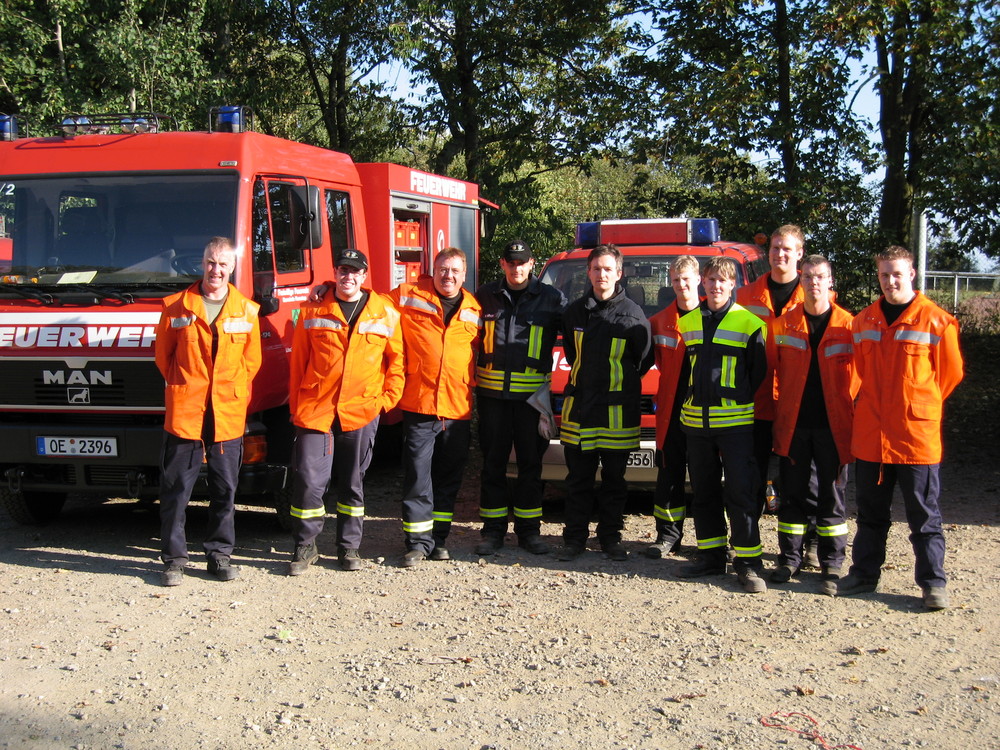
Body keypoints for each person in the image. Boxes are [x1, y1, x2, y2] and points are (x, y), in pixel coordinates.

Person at [837, 246, 963, 611]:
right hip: (872, 436)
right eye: (883, 274)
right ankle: (863, 574)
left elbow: (949, 376)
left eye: (897, 274)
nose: (890, 281)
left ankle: (932, 584)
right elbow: (858, 372)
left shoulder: (936, 321)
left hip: (915, 438)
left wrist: (915, 405)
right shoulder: (863, 321)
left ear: (912, 274)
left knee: (924, 517)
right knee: (870, 514)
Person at [286, 249, 404, 575]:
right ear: (335, 272)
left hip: (362, 410)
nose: (348, 277)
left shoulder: (385, 312)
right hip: (316, 408)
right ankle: (305, 546)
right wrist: (296, 407)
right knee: (309, 481)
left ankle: (348, 547)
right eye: (342, 270)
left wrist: (384, 402)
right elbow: (299, 362)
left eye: (355, 271)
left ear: (365, 276)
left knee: (353, 482)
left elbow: (397, 363)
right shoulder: (313, 307)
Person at [154, 237, 262, 586]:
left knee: (224, 491)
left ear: (233, 268)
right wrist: (186, 387)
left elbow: (252, 363)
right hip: (186, 412)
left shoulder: (247, 310)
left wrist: (229, 394)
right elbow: (163, 358)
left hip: (226, 413)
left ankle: (219, 556)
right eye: (211, 262)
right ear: (202, 263)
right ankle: (173, 560)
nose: (216, 270)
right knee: (175, 490)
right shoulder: (176, 307)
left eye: (223, 264)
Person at [676, 256, 768, 593]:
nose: (716, 286)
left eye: (723, 281)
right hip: (696, 424)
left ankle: (748, 564)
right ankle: (711, 556)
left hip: (735, 424)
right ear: (704, 282)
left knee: (741, 493)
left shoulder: (749, 323)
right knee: (704, 493)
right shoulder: (688, 322)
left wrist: (734, 399)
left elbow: (757, 372)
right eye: (711, 279)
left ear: (733, 285)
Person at [770, 255, 859, 595]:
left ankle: (831, 565)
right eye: (807, 276)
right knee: (792, 497)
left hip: (834, 428)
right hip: (793, 426)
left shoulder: (849, 325)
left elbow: (862, 375)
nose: (813, 282)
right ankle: (789, 559)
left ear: (830, 281)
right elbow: (772, 370)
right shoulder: (784, 324)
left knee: (831, 497)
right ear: (801, 280)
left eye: (820, 276)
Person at [557, 244, 652, 562]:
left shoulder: (633, 315)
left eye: (608, 269)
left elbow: (643, 359)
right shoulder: (573, 313)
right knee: (577, 481)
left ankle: (610, 539)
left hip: (617, 413)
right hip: (580, 411)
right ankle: (574, 539)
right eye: (596, 269)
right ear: (588, 272)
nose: (602, 275)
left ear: (619, 273)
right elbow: (573, 356)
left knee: (614, 482)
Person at [389, 248, 482, 567]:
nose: (449, 276)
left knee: (448, 478)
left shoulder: (473, 308)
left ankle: (438, 539)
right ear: (433, 270)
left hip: (456, 409)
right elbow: (368, 304)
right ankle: (416, 542)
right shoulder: (407, 295)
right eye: (443, 269)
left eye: (455, 271)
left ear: (464, 274)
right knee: (417, 476)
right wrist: (331, 287)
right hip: (420, 404)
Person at [474, 240, 566, 556]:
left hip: (531, 401)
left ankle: (529, 533)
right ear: (502, 264)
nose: (516, 268)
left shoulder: (552, 299)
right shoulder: (484, 296)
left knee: (530, 466)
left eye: (522, 262)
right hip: (493, 399)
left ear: (531, 263)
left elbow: (579, 330)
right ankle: (493, 532)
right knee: (493, 465)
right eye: (511, 263)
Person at [645, 255, 705, 558]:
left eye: (686, 279)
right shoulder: (659, 322)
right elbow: (654, 363)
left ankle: (711, 540)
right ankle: (668, 536)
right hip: (671, 412)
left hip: (706, 413)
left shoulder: (713, 316)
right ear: (671, 282)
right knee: (668, 477)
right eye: (676, 279)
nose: (682, 285)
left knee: (705, 479)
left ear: (698, 280)